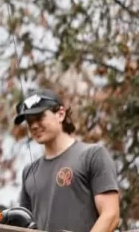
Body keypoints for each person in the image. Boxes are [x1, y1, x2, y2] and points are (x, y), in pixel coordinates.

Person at [14, 88, 120, 232]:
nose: (33, 125)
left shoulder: (92, 155)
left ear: (60, 114)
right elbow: (24, 226)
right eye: (29, 121)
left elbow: (110, 215)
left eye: (39, 117)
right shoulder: (29, 172)